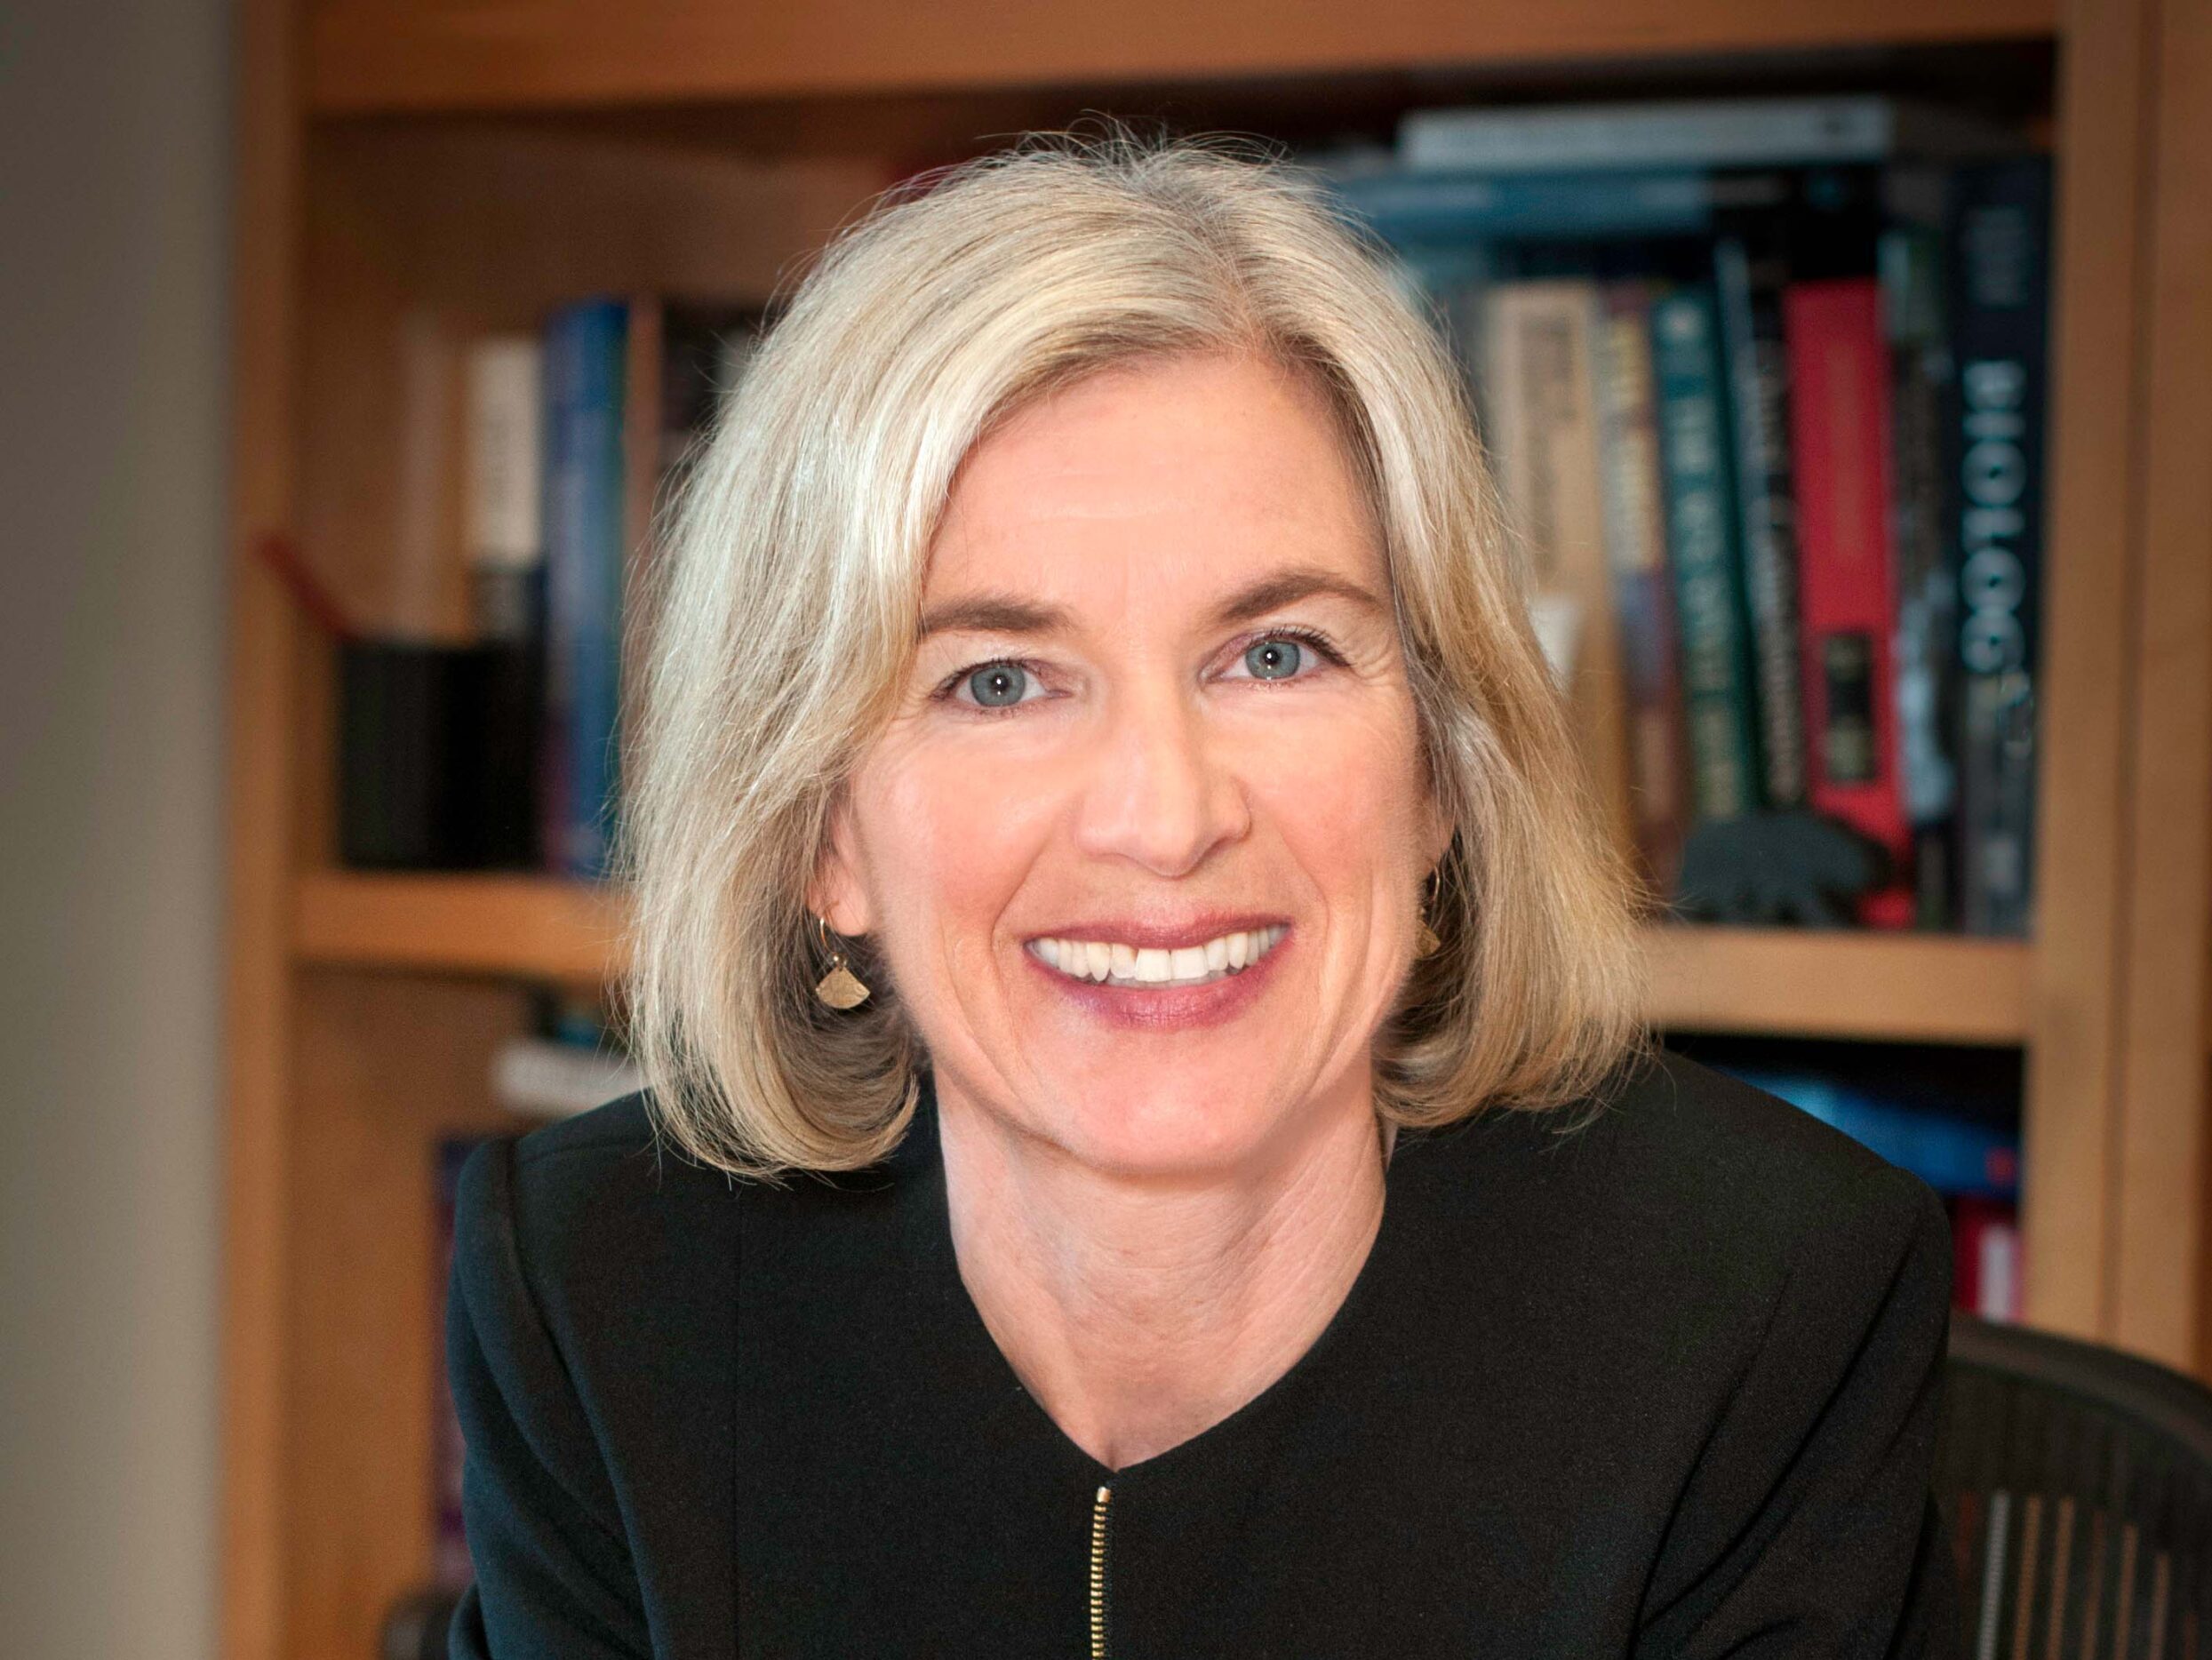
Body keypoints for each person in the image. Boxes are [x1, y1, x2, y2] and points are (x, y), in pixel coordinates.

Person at [443, 132, 1959, 1658]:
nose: (1165, 820)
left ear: (1440, 772)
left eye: (1274, 656)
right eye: (999, 680)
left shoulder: (1762, 1301)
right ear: (821, 832)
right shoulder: (597, 1284)